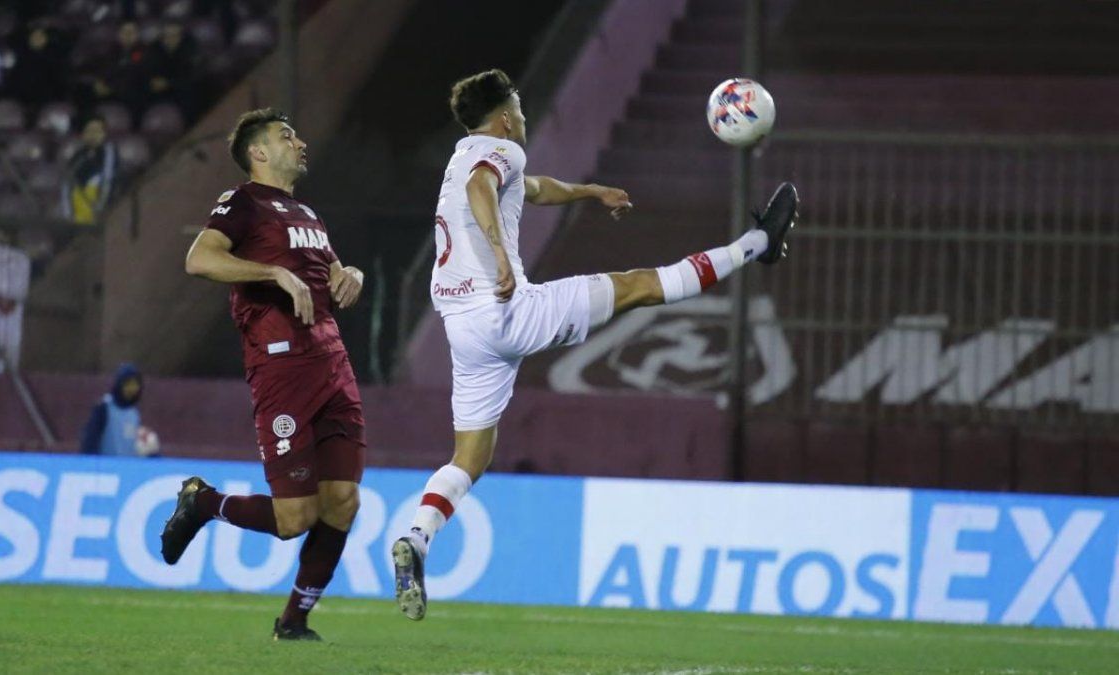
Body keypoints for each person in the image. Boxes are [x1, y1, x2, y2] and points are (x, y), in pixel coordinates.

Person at [390, 69, 798, 621]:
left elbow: (529, 190)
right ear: (507, 117)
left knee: (471, 455)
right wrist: (504, 259)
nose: (526, 122)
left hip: (462, 327)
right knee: (640, 286)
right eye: (522, 112)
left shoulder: (463, 155)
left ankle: (417, 536)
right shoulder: (497, 151)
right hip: (506, 309)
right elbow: (482, 187)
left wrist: (589, 192)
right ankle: (758, 243)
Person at [162, 108, 367, 642]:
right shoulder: (242, 203)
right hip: (281, 365)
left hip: (332, 362)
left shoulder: (307, 213)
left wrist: (351, 275)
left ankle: (293, 623)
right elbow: (199, 259)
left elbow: (329, 271)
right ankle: (203, 502)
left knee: (343, 500)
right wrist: (271, 271)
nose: (299, 142)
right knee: (295, 517)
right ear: (257, 152)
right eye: (285, 136)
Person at [80, 362, 159, 457]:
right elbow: (89, 441)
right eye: (128, 384)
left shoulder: (134, 413)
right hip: (108, 469)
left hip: (127, 469)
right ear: (119, 384)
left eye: (135, 385)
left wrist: (153, 454)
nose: (132, 389)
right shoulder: (104, 408)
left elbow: (136, 445)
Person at [61, 115, 117, 225]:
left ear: (104, 134)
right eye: (89, 131)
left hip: (98, 207)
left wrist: (101, 206)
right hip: (78, 209)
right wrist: (68, 214)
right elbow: (67, 184)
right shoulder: (78, 156)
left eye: (98, 131)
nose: (93, 135)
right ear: (83, 134)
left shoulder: (109, 152)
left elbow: (108, 180)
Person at [145, 21, 198, 119]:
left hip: (181, 92)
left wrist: (169, 83)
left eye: (174, 36)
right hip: (159, 92)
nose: (170, 39)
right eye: (167, 36)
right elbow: (149, 71)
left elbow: (192, 77)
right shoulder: (154, 50)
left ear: (181, 37)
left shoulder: (190, 51)